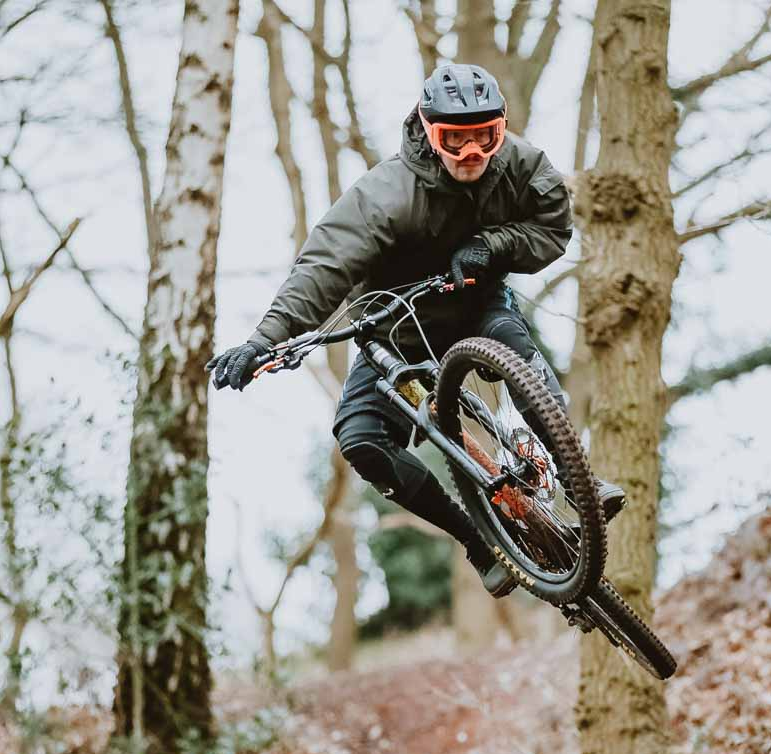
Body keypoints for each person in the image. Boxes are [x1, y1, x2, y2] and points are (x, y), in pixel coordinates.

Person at [209, 63, 623, 598]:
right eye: (455, 139)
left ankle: (578, 481)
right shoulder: (387, 193)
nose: (471, 153)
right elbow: (324, 267)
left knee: (518, 351)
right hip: (395, 329)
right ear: (429, 132)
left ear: (502, 127)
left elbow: (553, 228)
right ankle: (479, 542)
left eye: (486, 137)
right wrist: (264, 340)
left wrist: (493, 245)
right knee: (361, 441)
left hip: (476, 304)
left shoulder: (523, 165)